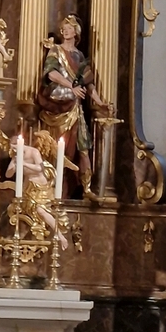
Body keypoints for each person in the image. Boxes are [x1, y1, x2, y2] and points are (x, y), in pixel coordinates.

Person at [38, 14, 110, 197]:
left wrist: (100, 103)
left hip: (75, 108)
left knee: (83, 147)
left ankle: (86, 188)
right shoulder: (56, 50)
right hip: (57, 105)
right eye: (63, 28)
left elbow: (88, 83)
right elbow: (51, 74)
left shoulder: (79, 56)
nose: (65, 30)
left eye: (69, 28)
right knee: (58, 149)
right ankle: (53, 189)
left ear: (76, 32)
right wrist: (72, 86)